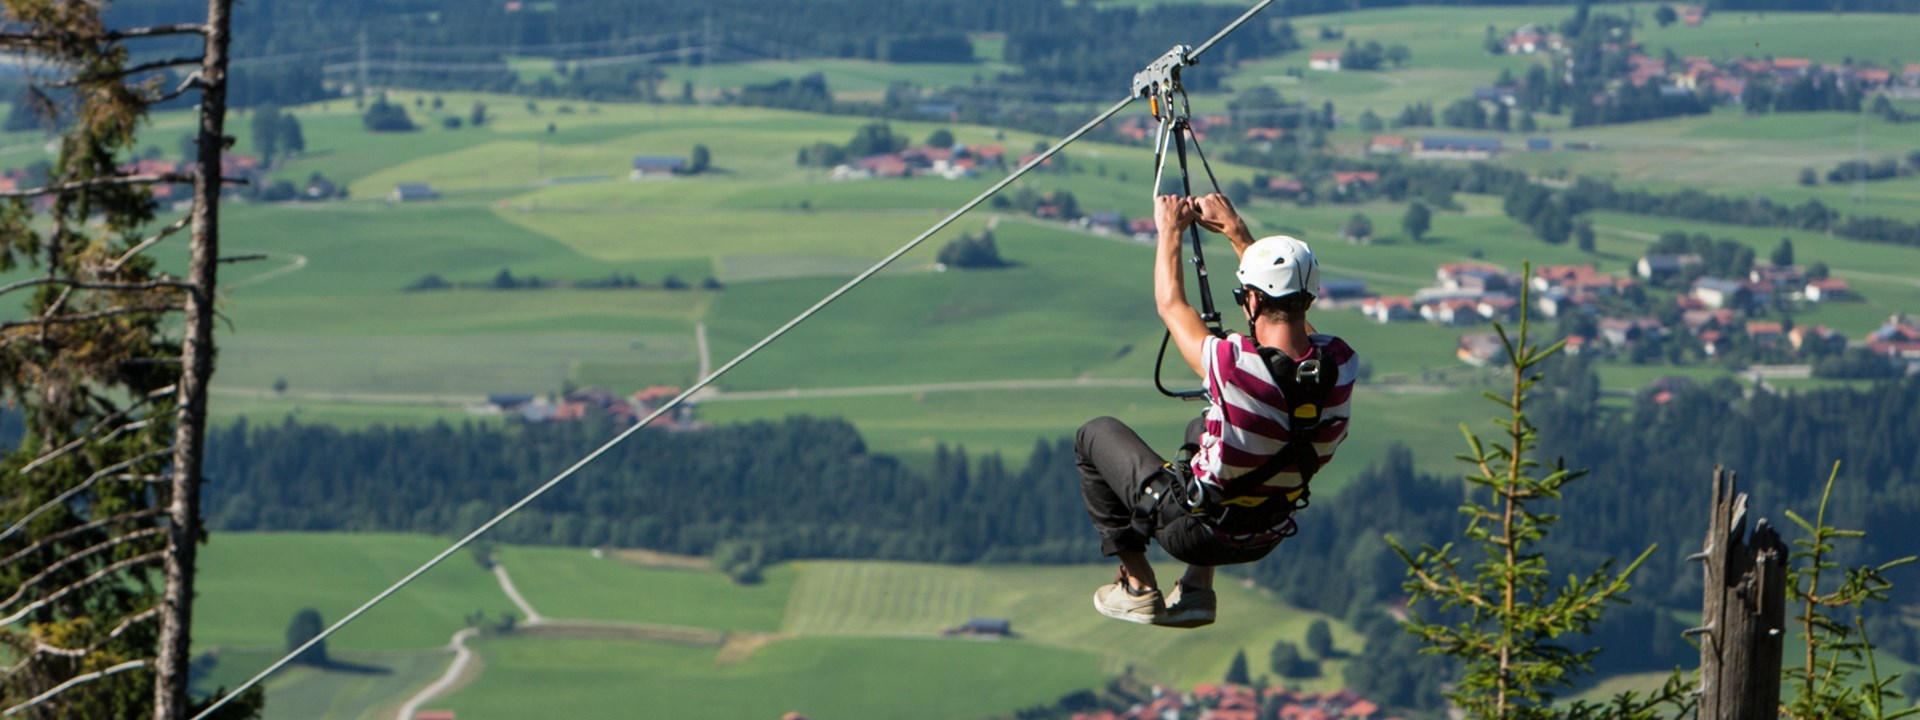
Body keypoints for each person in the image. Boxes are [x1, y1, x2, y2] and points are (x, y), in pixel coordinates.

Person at [1075, 193, 1356, 628]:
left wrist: (1169, 229)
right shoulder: (1340, 366)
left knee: (1094, 433)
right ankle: (1196, 591)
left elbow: (1172, 306)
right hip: (1264, 536)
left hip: (1193, 533)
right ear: (1309, 299)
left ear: (1253, 301)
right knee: (1203, 424)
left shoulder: (1235, 365)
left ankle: (1136, 583)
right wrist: (1241, 237)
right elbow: (1300, 334)